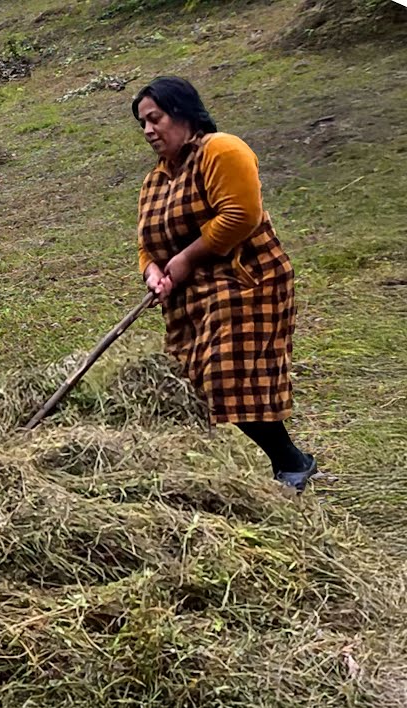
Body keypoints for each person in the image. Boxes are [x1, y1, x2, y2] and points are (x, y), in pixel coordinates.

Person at [131, 76, 317, 492]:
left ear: (181, 112)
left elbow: (240, 216)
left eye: (154, 118)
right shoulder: (155, 181)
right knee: (191, 380)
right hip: (191, 297)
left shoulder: (222, 150)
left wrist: (180, 261)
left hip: (246, 282)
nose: (147, 131)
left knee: (226, 374)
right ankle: (289, 460)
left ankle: (292, 462)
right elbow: (147, 245)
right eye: (142, 123)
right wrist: (153, 272)